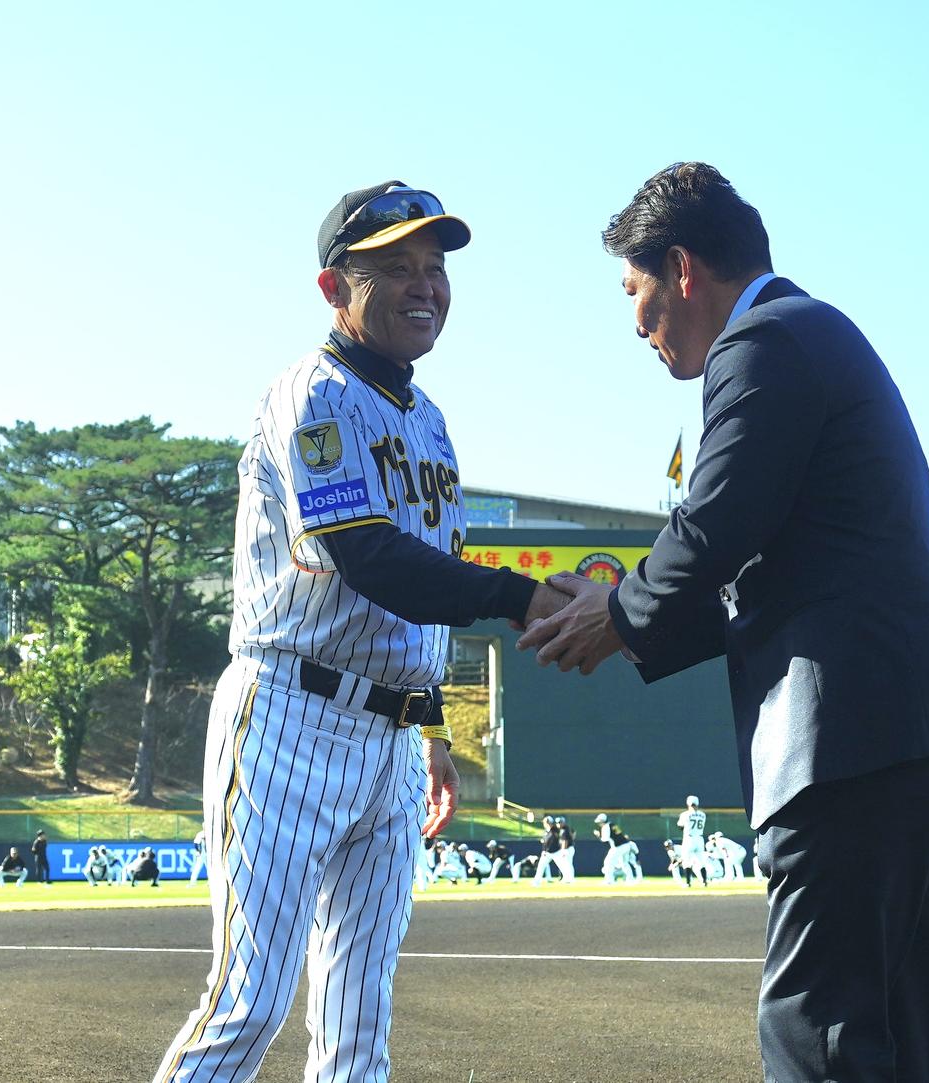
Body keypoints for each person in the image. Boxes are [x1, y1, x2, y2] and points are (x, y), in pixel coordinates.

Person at [518, 162, 929, 1083]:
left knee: (818, 1037)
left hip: (854, 744)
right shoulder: (814, 334)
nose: (632, 325)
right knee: (891, 1037)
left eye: (633, 293)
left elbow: (715, 524)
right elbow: (769, 563)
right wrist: (629, 620)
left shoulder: (762, 342)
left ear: (681, 269)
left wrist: (623, 611)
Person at [153, 181, 569, 1083]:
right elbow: (369, 558)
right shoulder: (312, 392)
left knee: (358, 1021)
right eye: (397, 269)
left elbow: (421, 579)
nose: (426, 286)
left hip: (388, 743)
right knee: (248, 1002)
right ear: (334, 287)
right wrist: (522, 598)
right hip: (288, 720)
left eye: (436, 267)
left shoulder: (429, 420)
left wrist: (432, 727)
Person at [676, 796, 710, 886]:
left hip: (689, 839)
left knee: (687, 861)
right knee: (701, 861)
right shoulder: (703, 814)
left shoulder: (685, 814)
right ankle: (704, 881)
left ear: (688, 803)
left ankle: (688, 882)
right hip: (699, 838)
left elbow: (680, 826)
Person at [532, 815, 562, 885]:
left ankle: (568, 880)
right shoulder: (546, 831)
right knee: (540, 867)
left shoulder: (555, 830)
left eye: (546, 822)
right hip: (547, 853)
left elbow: (555, 839)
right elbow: (545, 842)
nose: (544, 823)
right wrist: (544, 850)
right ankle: (536, 882)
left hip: (556, 852)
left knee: (563, 866)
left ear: (549, 822)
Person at [554, 816, 577, 883]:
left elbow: (565, 841)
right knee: (567, 864)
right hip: (568, 848)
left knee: (568, 864)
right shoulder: (565, 829)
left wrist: (563, 851)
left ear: (563, 823)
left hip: (567, 849)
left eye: (560, 822)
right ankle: (568, 878)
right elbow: (574, 832)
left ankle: (570, 879)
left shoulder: (564, 830)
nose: (559, 824)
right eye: (557, 823)